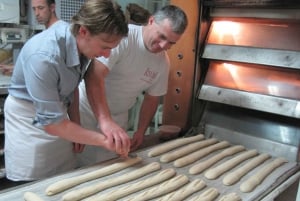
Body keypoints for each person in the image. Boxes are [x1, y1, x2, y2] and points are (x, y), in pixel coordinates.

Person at [4, 0, 130, 182]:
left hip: (58, 115)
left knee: (62, 177)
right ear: (84, 31)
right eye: (105, 47)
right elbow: (52, 124)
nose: (107, 55)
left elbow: (71, 88)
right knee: (33, 181)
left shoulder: (81, 45)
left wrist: (77, 127)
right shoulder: (44, 57)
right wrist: (103, 141)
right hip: (28, 119)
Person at [77, 5, 188, 166]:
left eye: (171, 43)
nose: (164, 46)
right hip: (87, 110)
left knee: (111, 166)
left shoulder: (163, 63)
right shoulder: (124, 37)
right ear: (151, 21)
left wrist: (141, 131)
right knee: (79, 167)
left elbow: (152, 98)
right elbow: (94, 76)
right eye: (162, 36)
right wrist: (105, 120)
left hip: (118, 117)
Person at [0, 0, 59, 75]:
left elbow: (55, 69)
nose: (36, 13)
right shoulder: (44, 34)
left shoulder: (61, 32)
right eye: (34, 9)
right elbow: (40, 66)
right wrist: (15, 68)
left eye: (41, 8)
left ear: (52, 7)